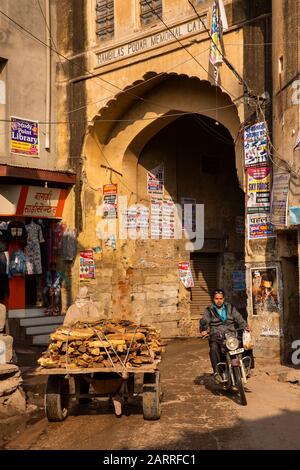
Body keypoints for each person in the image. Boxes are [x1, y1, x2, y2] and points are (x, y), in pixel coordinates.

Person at [199, 289, 250, 383]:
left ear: (224, 299)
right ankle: (217, 373)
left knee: (246, 344)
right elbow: (204, 321)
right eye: (216, 298)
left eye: (221, 298)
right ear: (213, 299)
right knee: (213, 349)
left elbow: (238, 317)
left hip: (231, 335)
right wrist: (204, 330)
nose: (219, 300)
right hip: (216, 336)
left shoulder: (230, 307)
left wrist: (245, 326)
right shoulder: (208, 310)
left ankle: (246, 366)